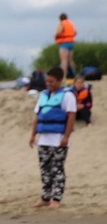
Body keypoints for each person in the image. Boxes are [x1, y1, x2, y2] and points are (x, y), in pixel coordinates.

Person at [29, 67, 77, 209]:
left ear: (59, 81)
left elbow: (71, 116)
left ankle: (56, 199)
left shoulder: (68, 96)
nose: (48, 83)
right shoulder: (43, 95)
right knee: (45, 169)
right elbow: (37, 117)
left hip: (58, 138)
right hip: (43, 139)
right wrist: (33, 135)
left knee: (57, 169)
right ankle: (45, 197)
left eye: (51, 81)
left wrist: (66, 137)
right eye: (47, 81)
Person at [55, 13, 77, 79]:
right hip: (71, 43)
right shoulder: (70, 23)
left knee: (64, 60)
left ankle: (63, 76)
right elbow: (75, 32)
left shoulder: (61, 23)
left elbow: (59, 32)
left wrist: (56, 36)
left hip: (64, 43)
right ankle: (74, 74)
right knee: (70, 60)